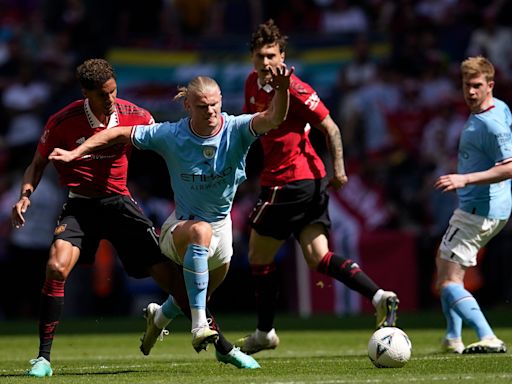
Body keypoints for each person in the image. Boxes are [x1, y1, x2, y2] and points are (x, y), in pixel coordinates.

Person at [12, 59, 257, 377]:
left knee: (175, 283)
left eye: (113, 91)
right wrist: (25, 195)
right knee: (56, 267)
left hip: (121, 204)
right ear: (86, 93)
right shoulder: (62, 121)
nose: (110, 99)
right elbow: (37, 163)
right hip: (81, 206)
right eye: (102, 94)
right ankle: (43, 359)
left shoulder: (136, 114)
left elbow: (168, 148)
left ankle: (224, 348)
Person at [49, 68, 294, 364]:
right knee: (199, 236)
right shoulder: (171, 134)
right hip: (179, 230)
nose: (211, 111)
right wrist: (78, 153)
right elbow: (117, 133)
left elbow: (274, 118)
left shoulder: (237, 129)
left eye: (215, 104)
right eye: (202, 106)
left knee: (189, 296)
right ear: (188, 106)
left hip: (222, 232)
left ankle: (159, 316)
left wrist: (282, 90)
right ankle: (200, 327)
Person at [236, 19, 399, 355]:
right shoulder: (252, 83)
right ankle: (379, 296)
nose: (265, 63)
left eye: (271, 55)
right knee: (317, 256)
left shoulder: (296, 88)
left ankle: (265, 331)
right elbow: (250, 129)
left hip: (291, 182)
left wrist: (339, 169)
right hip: (297, 182)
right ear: (252, 58)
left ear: (283, 56)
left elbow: (331, 127)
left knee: (256, 253)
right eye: (259, 56)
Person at [434, 56, 511, 354]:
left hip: (477, 211)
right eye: (467, 85)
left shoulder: (488, 124)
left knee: (448, 279)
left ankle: (487, 335)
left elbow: (509, 165)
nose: (471, 92)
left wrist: (465, 180)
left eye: (478, 86)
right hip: (493, 209)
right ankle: (453, 337)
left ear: (490, 85)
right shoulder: (501, 108)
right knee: (444, 262)